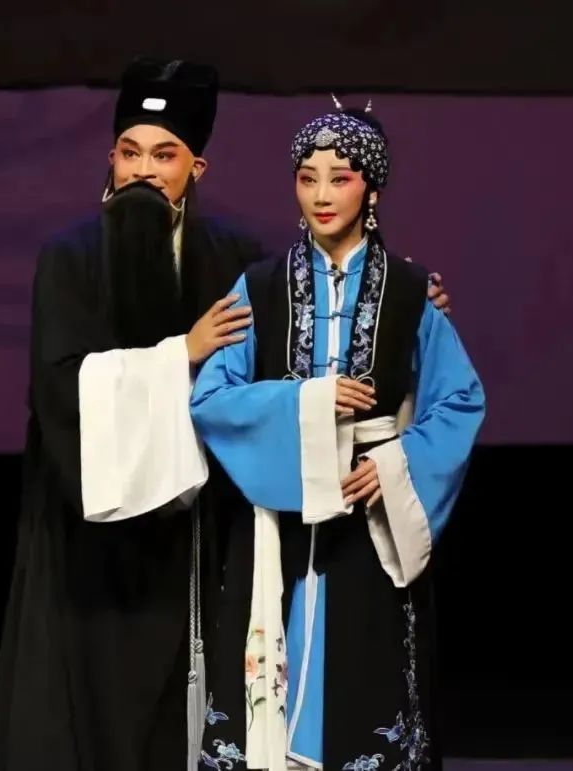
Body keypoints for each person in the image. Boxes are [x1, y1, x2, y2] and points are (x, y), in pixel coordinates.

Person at [0, 58, 455, 771]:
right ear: (110, 159)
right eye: (130, 153)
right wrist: (183, 352)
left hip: (195, 532)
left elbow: (300, 339)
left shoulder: (233, 258)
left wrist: (404, 306)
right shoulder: (68, 258)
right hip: (87, 527)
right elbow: (58, 390)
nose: (145, 172)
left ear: (195, 168)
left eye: (164, 155)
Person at [189, 102, 486, 770]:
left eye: (341, 178)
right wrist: (305, 401)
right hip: (280, 518)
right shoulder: (260, 287)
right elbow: (211, 397)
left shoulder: (409, 292)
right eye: (308, 178)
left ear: (371, 189)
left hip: (370, 514)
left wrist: (398, 462)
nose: (322, 194)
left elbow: (460, 398)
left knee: (366, 683)